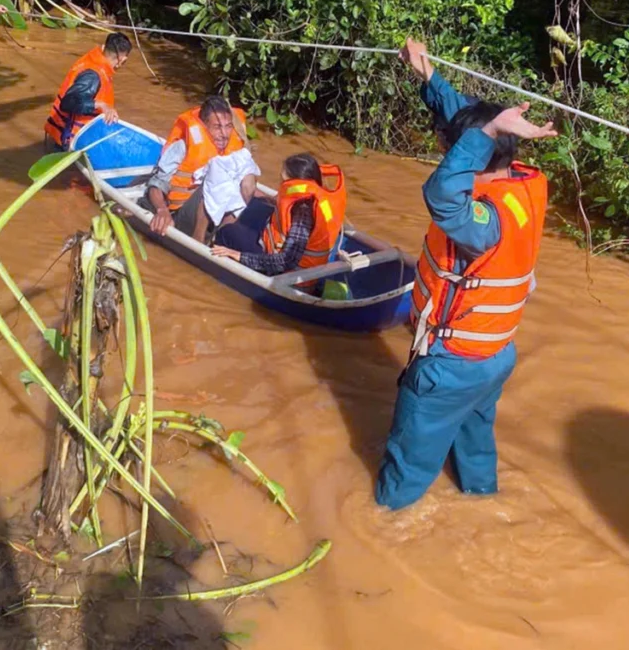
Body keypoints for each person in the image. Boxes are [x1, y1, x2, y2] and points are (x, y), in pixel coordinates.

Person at [374, 38, 557, 511]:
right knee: (474, 446)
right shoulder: (522, 181)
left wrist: (483, 130)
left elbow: (441, 195)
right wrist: (427, 74)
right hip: (495, 356)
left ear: (472, 154)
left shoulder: (482, 221)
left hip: (451, 363)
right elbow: (463, 119)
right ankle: (481, 504)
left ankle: (385, 527)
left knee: (408, 462)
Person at [211, 153, 347, 277]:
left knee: (227, 232)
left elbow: (285, 262)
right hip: (289, 258)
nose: (281, 185)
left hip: (286, 275)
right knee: (260, 204)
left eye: (283, 181)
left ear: (296, 183)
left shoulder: (303, 212)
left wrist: (238, 256)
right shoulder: (315, 199)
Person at [145, 96, 249, 241]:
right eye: (217, 127)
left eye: (228, 126)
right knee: (216, 179)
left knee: (248, 180)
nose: (224, 134)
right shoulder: (182, 146)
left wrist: (270, 199)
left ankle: (222, 236)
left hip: (216, 215)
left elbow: (244, 184)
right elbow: (156, 184)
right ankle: (198, 242)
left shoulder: (234, 149)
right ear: (204, 126)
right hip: (183, 214)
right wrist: (162, 210)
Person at [45, 33, 132, 151]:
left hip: (64, 136)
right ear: (122, 60)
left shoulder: (92, 59)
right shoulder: (93, 76)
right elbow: (68, 102)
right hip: (70, 142)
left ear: (103, 47)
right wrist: (101, 105)